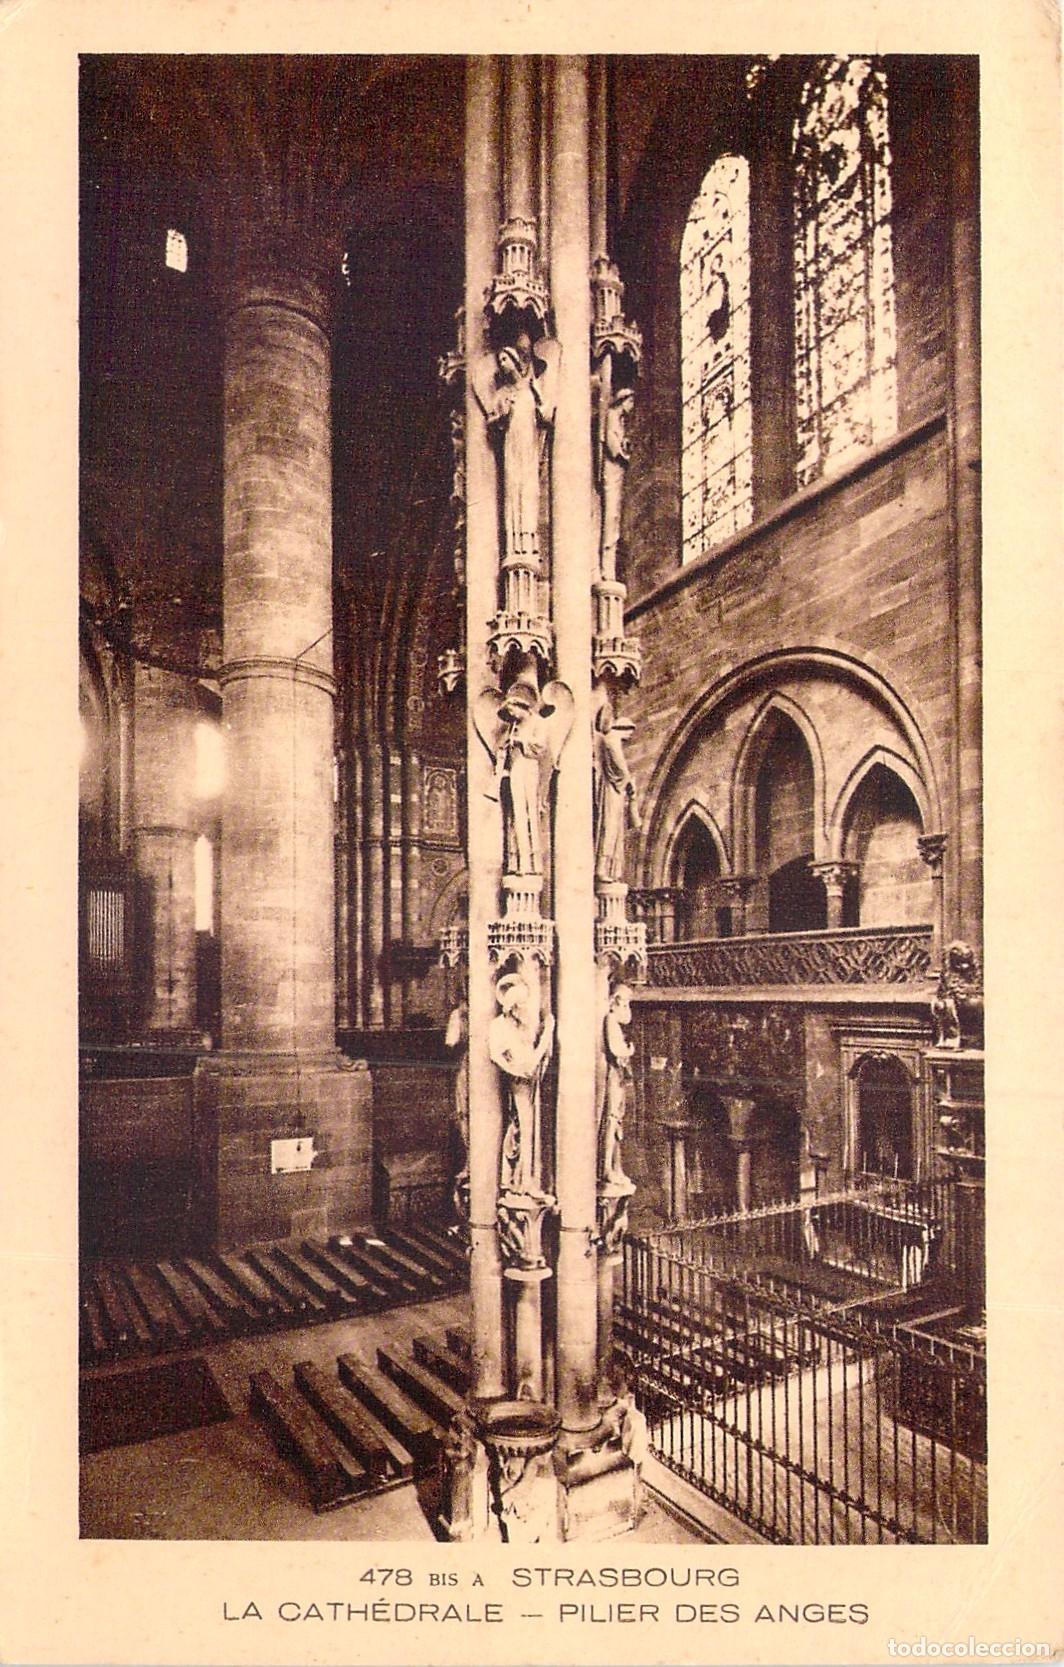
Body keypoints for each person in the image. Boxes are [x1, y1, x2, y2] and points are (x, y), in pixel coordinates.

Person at [488, 971, 554, 1194]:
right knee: (525, 1127)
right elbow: (497, 1055)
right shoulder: (499, 1026)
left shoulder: (519, 1025)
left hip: (529, 1074)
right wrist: (515, 1069)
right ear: (513, 1006)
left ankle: (523, 1178)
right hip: (520, 1079)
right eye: (522, 1004)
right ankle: (524, 1180)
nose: (525, 1009)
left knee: (529, 1126)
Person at [593, 702, 641, 882]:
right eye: (630, 731)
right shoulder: (611, 740)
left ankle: (611, 869)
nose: (630, 735)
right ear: (623, 728)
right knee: (611, 827)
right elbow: (620, 766)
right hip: (612, 790)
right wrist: (629, 783)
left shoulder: (612, 740)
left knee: (616, 828)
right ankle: (603, 868)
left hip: (616, 789)